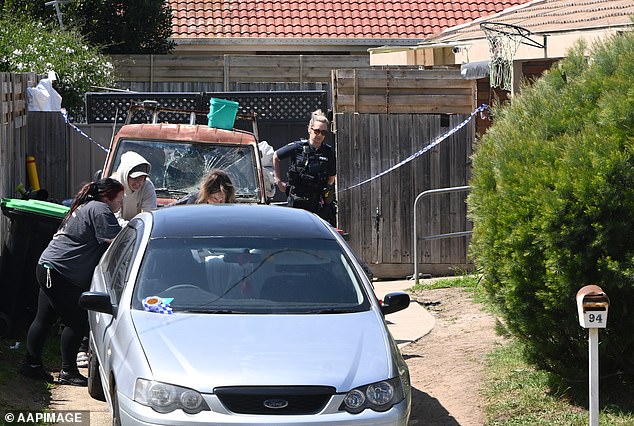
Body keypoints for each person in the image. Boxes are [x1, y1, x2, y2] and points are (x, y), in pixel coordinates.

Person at [21, 178, 124, 386]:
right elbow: (117, 244)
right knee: (76, 321)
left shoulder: (87, 206)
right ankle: (67, 371)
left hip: (49, 266)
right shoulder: (100, 209)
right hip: (60, 272)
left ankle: (31, 365)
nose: (121, 203)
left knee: (45, 318)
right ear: (107, 196)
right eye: (120, 199)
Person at [273, 109, 337, 225]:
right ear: (310, 129)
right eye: (317, 131)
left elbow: (331, 178)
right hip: (296, 201)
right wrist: (278, 181)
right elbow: (276, 156)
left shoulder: (328, 152)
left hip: (317, 204)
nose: (320, 135)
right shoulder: (298, 147)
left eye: (323, 133)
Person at [111, 151, 157, 225]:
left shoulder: (147, 186)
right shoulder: (112, 186)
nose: (138, 183)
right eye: (135, 178)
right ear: (125, 175)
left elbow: (150, 215)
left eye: (142, 178)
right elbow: (113, 218)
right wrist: (131, 228)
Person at [169, 169, 236, 205]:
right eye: (214, 199)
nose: (218, 203)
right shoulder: (192, 204)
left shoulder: (234, 208)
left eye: (221, 201)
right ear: (206, 195)